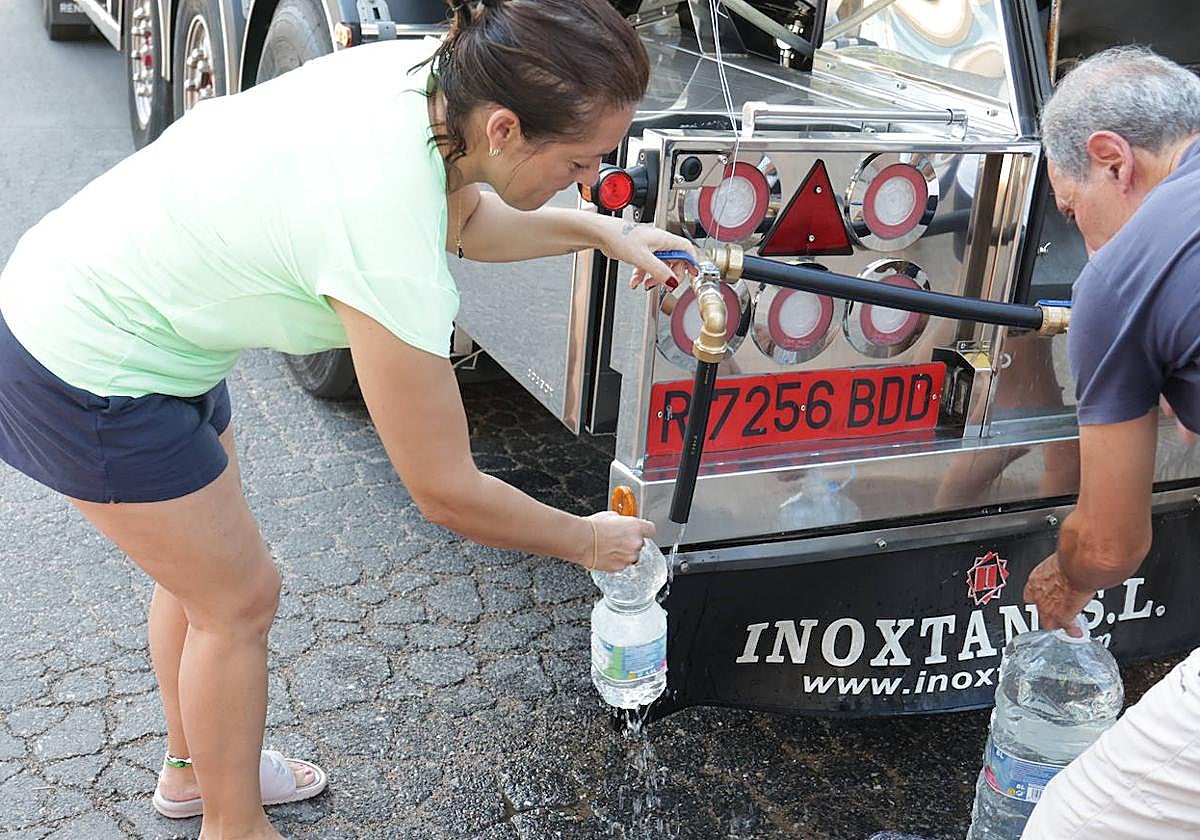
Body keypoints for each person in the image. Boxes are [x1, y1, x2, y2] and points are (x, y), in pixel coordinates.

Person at [0, 1, 696, 838]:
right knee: (238, 600)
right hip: (85, 358)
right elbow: (444, 490)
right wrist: (585, 542)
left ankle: (196, 771)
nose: (588, 178)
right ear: (507, 129)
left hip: (149, 316)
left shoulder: (436, 79)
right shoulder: (384, 231)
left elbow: (468, 216)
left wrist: (604, 233)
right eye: (580, 163)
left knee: (198, 576)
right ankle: (234, 824)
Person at [1019, 46, 1200, 839]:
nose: (1086, 240)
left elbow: (1110, 544)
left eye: (1072, 209)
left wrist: (1065, 579)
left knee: (1074, 822)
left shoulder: (1121, 273)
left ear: (1110, 159)